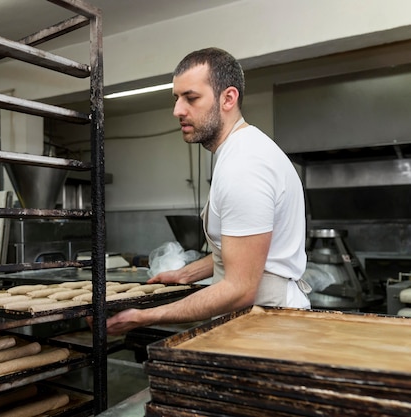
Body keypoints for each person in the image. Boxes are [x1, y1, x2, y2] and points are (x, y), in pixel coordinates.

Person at [105, 47, 311, 335]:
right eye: (176, 98)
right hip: (258, 319)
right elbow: (243, 251)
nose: (177, 110)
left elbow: (240, 289)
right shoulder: (241, 151)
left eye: (191, 98)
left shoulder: (245, 166)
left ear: (228, 98)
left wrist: (145, 316)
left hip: (270, 326)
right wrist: (187, 274)